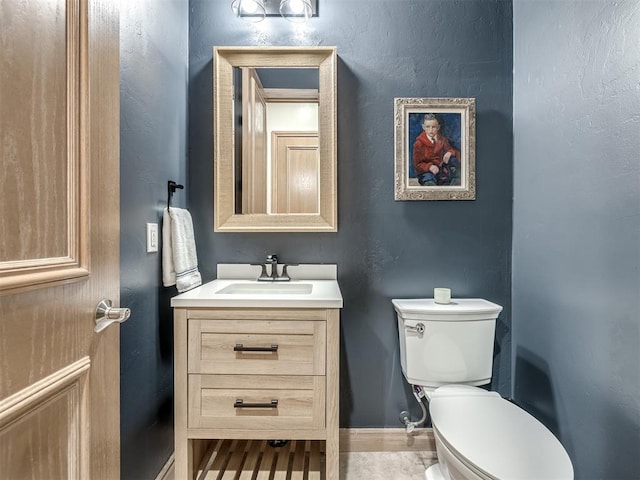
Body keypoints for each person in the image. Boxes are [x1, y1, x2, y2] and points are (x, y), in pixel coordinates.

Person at [412, 113, 461, 186]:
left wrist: (449, 152)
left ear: (438, 127)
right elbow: (417, 165)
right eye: (428, 127)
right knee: (429, 180)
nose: (430, 130)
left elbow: (451, 149)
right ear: (423, 127)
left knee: (455, 174)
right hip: (427, 172)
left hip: (442, 170)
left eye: (433, 127)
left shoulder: (442, 140)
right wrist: (429, 167)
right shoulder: (419, 143)